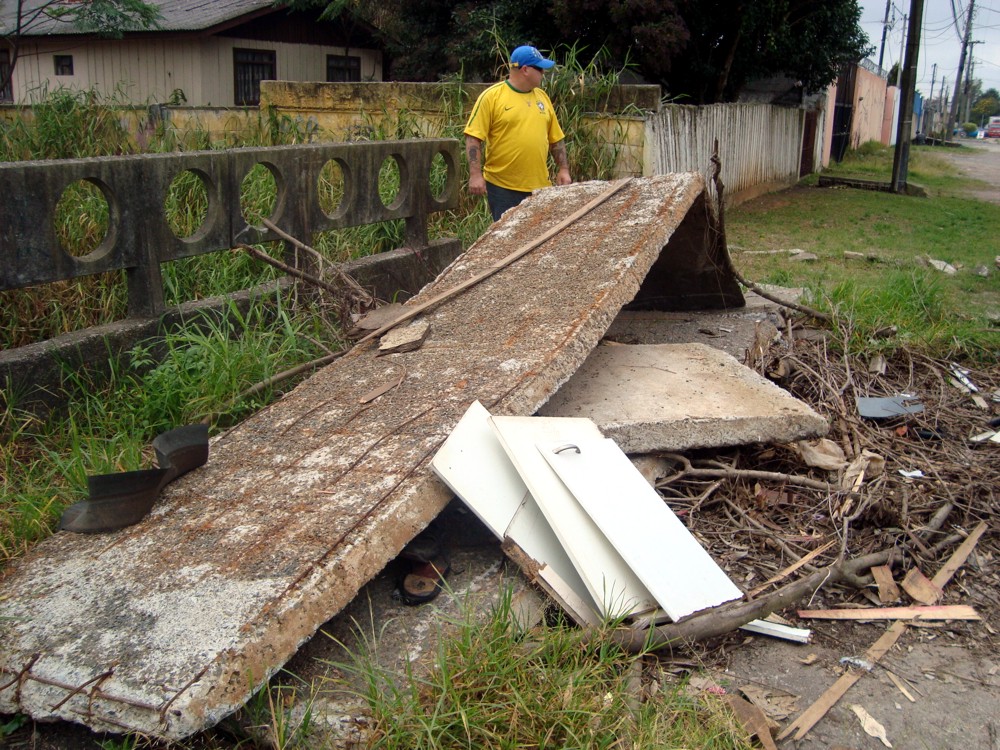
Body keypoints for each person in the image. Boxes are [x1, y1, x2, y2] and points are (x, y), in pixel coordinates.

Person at [464, 45, 572, 222]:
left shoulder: (543, 98)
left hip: (540, 188)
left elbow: (556, 139)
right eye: (540, 69)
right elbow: (473, 137)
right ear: (525, 70)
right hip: (503, 188)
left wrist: (563, 169)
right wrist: (475, 175)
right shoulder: (492, 97)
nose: (543, 73)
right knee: (508, 242)